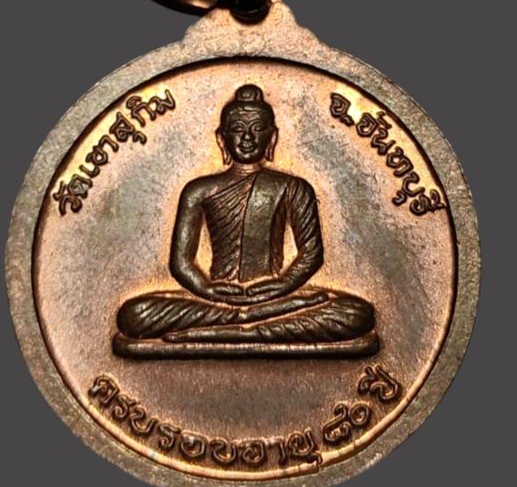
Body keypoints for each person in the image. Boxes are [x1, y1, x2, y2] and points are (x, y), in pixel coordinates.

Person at [115, 84, 377, 352]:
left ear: (272, 137)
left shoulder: (293, 187)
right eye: (238, 129)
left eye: (257, 128)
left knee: (356, 314)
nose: (248, 137)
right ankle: (249, 323)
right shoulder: (198, 190)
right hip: (215, 300)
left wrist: (284, 284)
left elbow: (311, 253)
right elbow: (181, 263)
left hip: (278, 296)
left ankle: (235, 328)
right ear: (222, 138)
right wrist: (206, 288)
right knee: (135, 314)